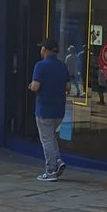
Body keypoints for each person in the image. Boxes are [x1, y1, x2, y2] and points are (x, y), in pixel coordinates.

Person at [29, 37, 70, 182]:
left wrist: (31, 86)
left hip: (44, 109)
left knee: (46, 140)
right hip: (59, 110)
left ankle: (51, 170)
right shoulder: (62, 66)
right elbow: (68, 87)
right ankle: (58, 161)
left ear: (44, 50)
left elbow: (35, 86)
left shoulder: (40, 66)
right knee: (51, 137)